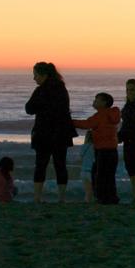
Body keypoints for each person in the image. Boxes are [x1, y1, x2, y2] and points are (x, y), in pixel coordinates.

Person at [24, 62, 76, 203]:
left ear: (44, 75)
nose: (34, 79)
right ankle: (61, 197)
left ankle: (37, 197)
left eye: (35, 75)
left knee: (41, 165)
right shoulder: (61, 89)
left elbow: (29, 109)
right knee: (60, 165)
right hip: (61, 133)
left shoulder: (41, 90)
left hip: (44, 133)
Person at [73, 92, 121, 205]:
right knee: (109, 175)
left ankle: (102, 198)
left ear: (104, 102)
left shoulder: (101, 115)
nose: (94, 101)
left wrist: (70, 122)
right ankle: (111, 197)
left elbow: (87, 124)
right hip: (112, 150)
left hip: (102, 150)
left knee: (100, 175)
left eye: (97, 99)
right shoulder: (111, 114)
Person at [79, 131, 96, 203]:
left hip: (84, 171)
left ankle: (87, 203)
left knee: (87, 192)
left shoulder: (83, 146)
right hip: (92, 171)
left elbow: (81, 158)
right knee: (93, 191)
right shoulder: (96, 147)